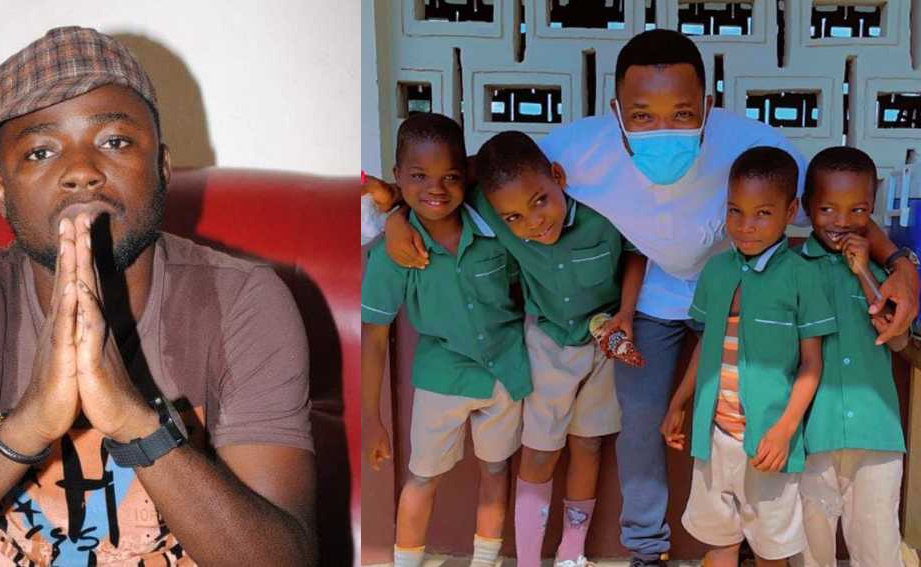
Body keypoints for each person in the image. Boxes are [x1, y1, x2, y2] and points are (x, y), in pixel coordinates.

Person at [364, 28, 920, 565]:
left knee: (756, 403)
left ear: (708, 104)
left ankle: (755, 541)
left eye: (682, 114)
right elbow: (454, 183)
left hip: (735, 286)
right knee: (641, 420)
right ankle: (646, 547)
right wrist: (394, 213)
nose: (663, 129)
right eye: (641, 116)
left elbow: (835, 209)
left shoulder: (753, 143)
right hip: (652, 293)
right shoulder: (574, 150)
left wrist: (899, 263)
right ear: (615, 111)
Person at [0, 27, 316, 566]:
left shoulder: (243, 303)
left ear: (161, 166)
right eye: (41, 151)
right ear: (1, 191)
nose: (82, 172)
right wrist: (29, 424)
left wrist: (136, 424)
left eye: (114, 141)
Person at [361, 113, 529, 567]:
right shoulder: (392, 253)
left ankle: (486, 561)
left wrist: (395, 205)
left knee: (497, 470)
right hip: (442, 378)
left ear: (466, 175)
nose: (436, 189)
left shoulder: (496, 223)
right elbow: (374, 336)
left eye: (450, 177)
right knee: (422, 477)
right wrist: (372, 418)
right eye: (418, 177)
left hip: (505, 373)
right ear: (397, 177)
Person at [471, 131, 645, 567]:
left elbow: (636, 253)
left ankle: (572, 553)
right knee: (539, 451)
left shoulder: (602, 217)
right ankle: (529, 559)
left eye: (540, 201)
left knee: (588, 445)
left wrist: (626, 312)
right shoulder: (500, 217)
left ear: (558, 177)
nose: (533, 222)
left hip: (604, 343)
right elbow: (442, 178)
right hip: (546, 342)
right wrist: (394, 211)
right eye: (512, 217)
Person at [661, 147, 835, 566]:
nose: (745, 226)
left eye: (762, 213)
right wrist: (679, 402)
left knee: (770, 548)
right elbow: (707, 345)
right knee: (718, 539)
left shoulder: (802, 276)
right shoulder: (717, 271)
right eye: (735, 211)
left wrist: (783, 430)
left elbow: (812, 364)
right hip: (714, 435)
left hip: (769, 442)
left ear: (791, 210)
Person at [796, 146, 909, 567]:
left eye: (857, 209)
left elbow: (896, 341)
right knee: (810, 552)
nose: (841, 222)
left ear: (873, 208)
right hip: (811, 437)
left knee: (878, 549)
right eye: (827, 208)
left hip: (875, 434)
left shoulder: (884, 277)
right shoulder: (790, 271)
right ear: (807, 207)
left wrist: (864, 272)